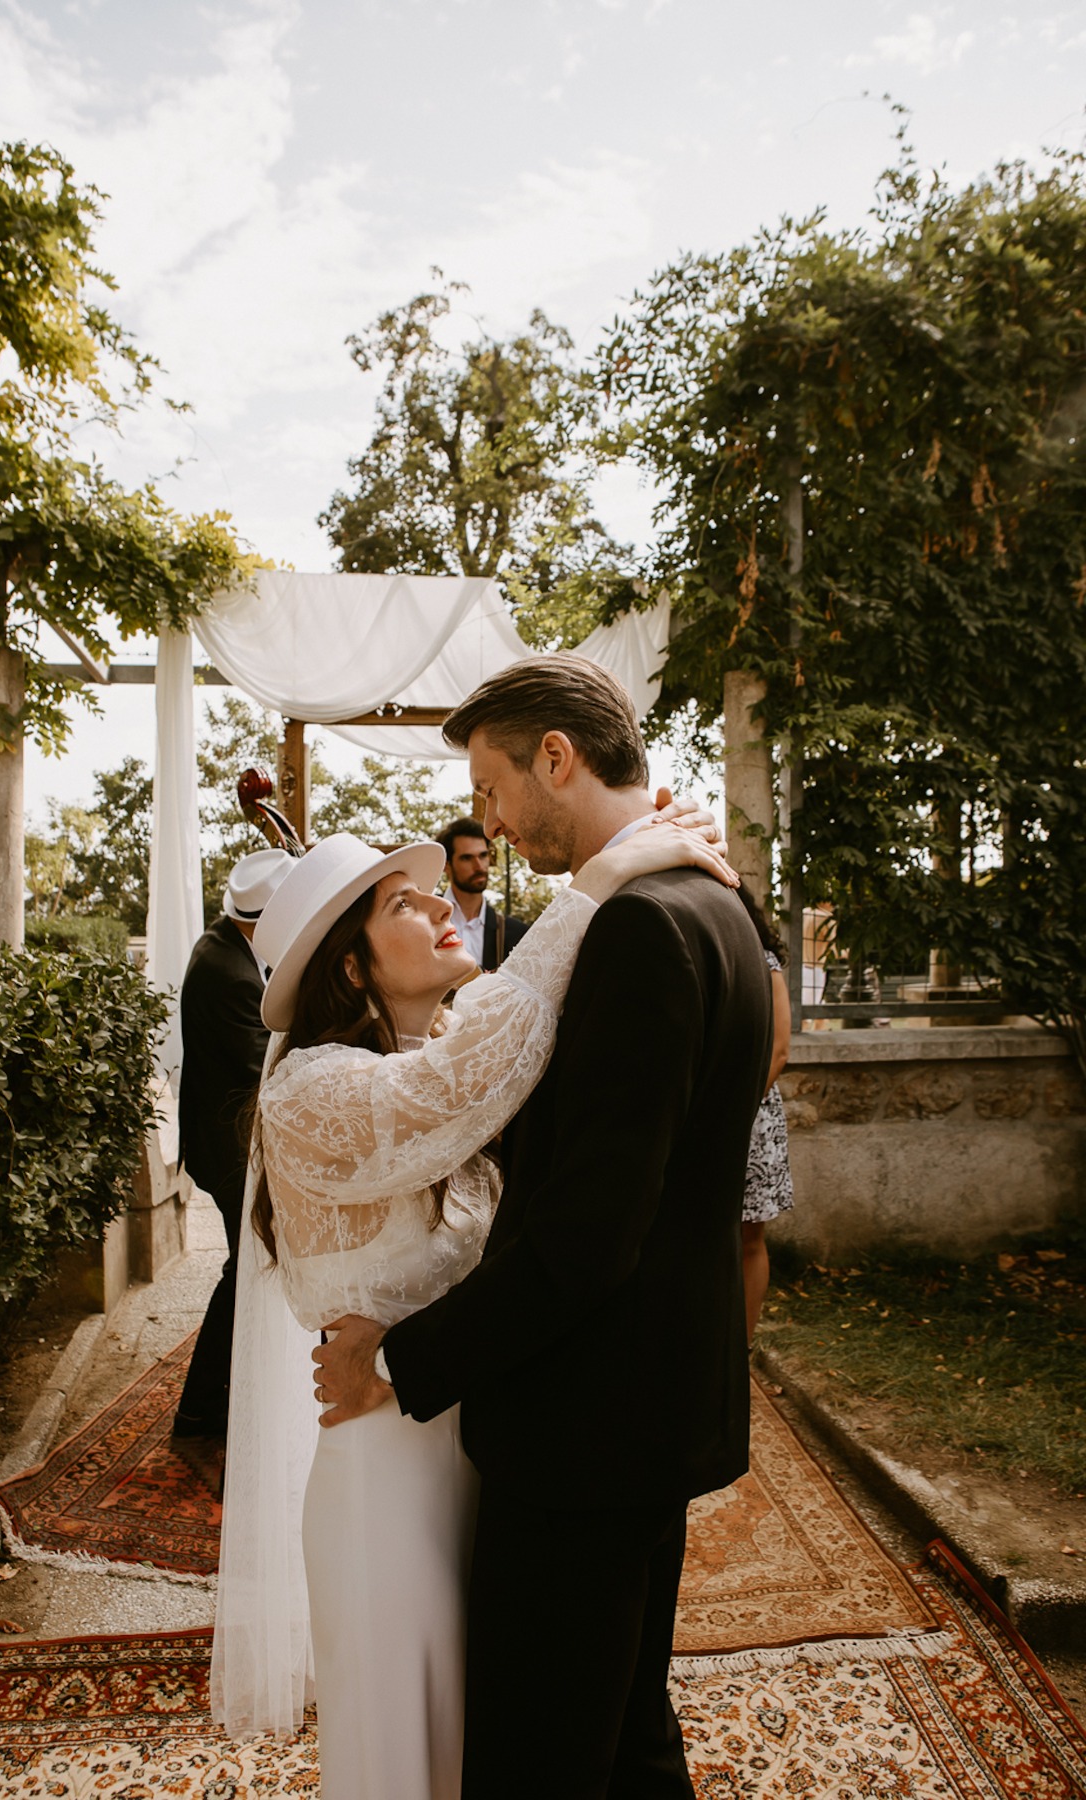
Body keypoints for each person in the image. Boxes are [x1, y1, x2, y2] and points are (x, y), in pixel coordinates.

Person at [315, 654, 774, 1800]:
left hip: (587, 1423)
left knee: (539, 1751)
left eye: (490, 789)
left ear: (555, 760)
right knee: (623, 1729)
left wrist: (407, 1359)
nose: (489, 823)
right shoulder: (714, 902)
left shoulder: (637, 929)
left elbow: (585, 1239)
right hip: (653, 1405)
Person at [211, 811, 737, 1798]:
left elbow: (516, 1072)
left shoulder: (466, 1050)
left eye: (433, 893)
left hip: (491, 1451)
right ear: (354, 970)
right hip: (386, 1480)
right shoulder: (313, 1093)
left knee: (502, 1741)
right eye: (403, 905)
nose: (442, 907)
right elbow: (456, 1083)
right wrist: (602, 875)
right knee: (414, 1751)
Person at [171, 849, 291, 1486]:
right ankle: (197, 1416)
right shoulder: (231, 973)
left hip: (227, 1140)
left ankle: (222, 1403)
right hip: (228, 1149)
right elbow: (260, 1071)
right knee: (244, 1273)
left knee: (248, 1270)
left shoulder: (230, 945)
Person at [736, 890, 795, 1347]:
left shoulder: (765, 962)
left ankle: (741, 1345)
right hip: (702, 1111)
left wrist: (731, 1106)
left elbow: (778, 1051)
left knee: (749, 1238)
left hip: (751, 1118)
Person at [436, 815, 528, 970]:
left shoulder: (516, 934)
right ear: (446, 865)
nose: (479, 866)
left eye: (483, 855)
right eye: (467, 858)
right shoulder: (426, 922)